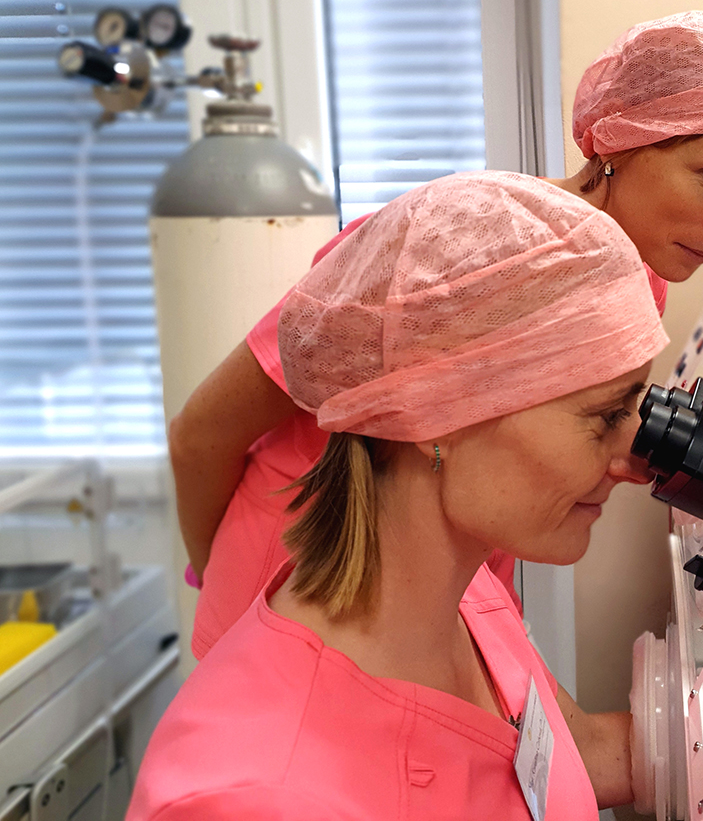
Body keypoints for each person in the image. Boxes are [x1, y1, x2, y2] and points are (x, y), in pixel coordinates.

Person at [174, 10, 703, 658]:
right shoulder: (463, 252)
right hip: (303, 567)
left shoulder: (637, 278)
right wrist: (217, 576)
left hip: (439, 582)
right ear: (618, 141)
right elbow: (201, 435)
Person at [127, 174, 670, 820]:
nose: (635, 465)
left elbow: (568, 761)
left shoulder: (466, 596)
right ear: (435, 414)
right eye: (606, 416)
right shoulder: (251, 797)